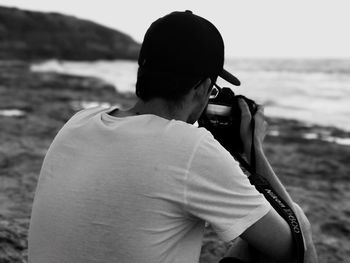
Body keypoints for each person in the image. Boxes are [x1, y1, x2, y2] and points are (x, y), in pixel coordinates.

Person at [28, 10, 317, 263]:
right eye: (213, 89)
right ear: (202, 88)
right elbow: (295, 249)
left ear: (143, 68)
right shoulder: (190, 148)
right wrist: (253, 149)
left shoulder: (79, 121)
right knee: (297, 222)